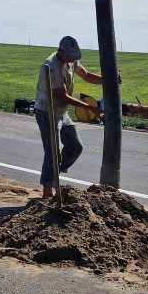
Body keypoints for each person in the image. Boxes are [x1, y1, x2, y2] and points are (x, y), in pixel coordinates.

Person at [35, 35, 120, 199]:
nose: (73, 60)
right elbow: (63, 96)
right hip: (47, 112)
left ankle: (54, 173)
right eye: (70, 57)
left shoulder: (70, 60)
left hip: (61, 111)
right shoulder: (51, 67)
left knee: (75, 146)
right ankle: (47, 193)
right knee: (52, 152)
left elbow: (86, 75)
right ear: (61, 51)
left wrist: (109, 80)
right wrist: (89, 108)